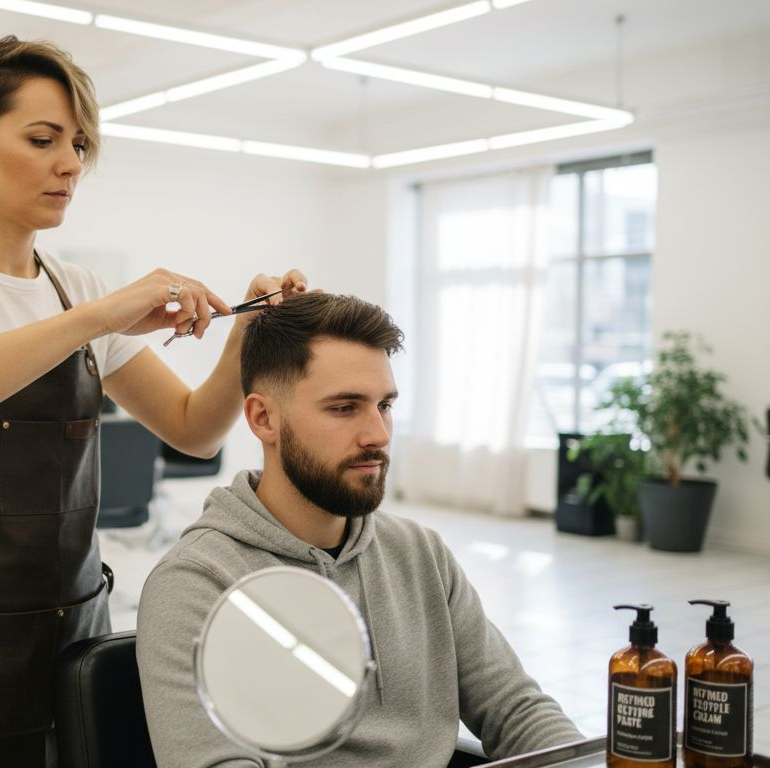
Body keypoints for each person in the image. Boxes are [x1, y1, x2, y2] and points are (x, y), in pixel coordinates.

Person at [0, 35, 307, 767]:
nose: (70, 164)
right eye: (42, 139)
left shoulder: (77, 286)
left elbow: (194, 430)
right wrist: (96, 319)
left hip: (71, 629)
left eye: (79, 143)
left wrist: (244, 336)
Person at [136, 292, 582, 767]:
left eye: (384, 405)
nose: (379, 435)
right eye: (345, 407)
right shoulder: (196, 584)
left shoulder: (418, 553)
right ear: (263, 419)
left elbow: (515, 709)